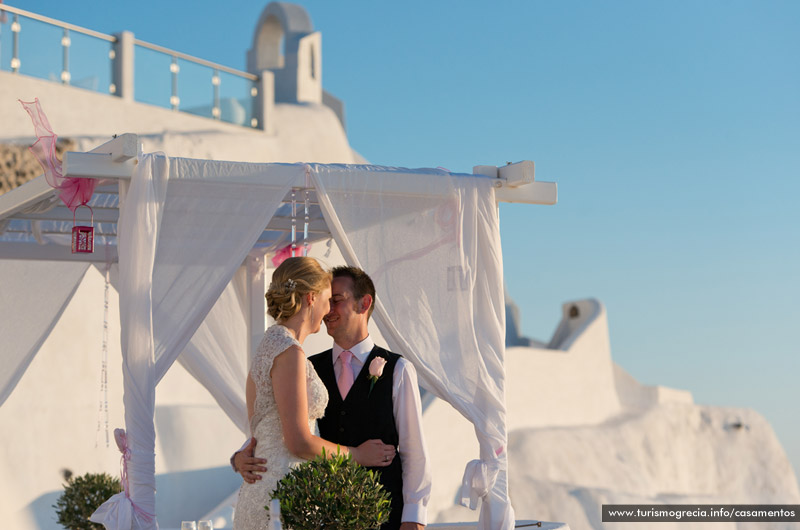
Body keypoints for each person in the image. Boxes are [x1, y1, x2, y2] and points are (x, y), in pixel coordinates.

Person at [234, 265, 431, 530]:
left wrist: (414, 519)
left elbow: (414, 451)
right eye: (328, 300)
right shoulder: (304, 364)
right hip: (317, 514)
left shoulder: (398, 369)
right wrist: (240, 457)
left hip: (382, 517)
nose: (328, 311)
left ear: (365, 303)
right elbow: (280, 430)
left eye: (336, 301)